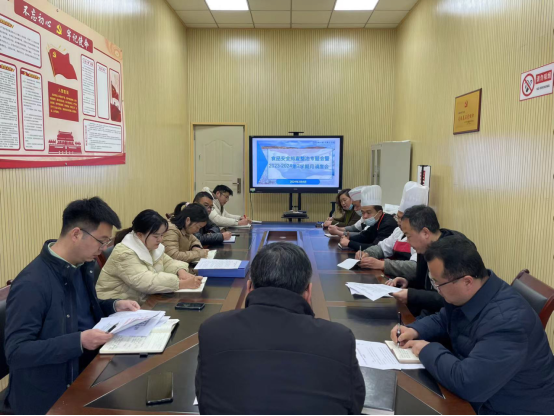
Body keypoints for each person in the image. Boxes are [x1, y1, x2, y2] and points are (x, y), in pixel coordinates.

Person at [5, 197, 140, 415]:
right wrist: (78, 341)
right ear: (76, 234)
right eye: (101, 241)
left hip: (89, 368)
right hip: (52, 392)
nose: (103, 249)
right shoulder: (31, 283)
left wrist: (114, 305)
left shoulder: (80, 265)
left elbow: (80, 310)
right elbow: (16, 352)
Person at [196, 242, 366, 415]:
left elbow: (204, 399)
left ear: (248, 288)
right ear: (308, 292)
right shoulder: (338, 339)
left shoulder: (212, 330)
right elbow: (354, 405)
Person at [392, 236, 554, 415]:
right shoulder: (474, 291)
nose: (437, 288)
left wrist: (426, 349)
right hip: (480, 395)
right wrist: (414, 329)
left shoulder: (508, 323)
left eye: (438, 283)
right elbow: (444, 319)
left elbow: (468, 384)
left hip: (505, 407)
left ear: (467, 281)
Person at [96, 210, 202, 304]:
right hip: (116, 306)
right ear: (139, 235)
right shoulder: (124, 253)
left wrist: (181, 271)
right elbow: (146, 282)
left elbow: (167, 261)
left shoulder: (149, 245)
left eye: (162, 235)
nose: (160, 239)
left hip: (139, 302)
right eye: (156, 236)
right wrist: (181, 284)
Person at [386, 205, 469, 318]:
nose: (408, 242)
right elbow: (424, 283)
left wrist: (412, 295)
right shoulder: (426, 246)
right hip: (427, 312)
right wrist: (407, 281)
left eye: (408, 236)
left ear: (425, 233)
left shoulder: (454, 251)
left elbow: (450, 299)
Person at [356, 182, 428, 279]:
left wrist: (382, 264)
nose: (399, 222)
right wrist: (367, 253)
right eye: (398, 217)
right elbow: (382, 248)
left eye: (402, 219)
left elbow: (414, 267)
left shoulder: (421, 237)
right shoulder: (398, 231)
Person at [340, 185, 397, 251]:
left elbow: (376, 248)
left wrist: (349, 243)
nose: (365, 216)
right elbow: (365, 236)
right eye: (363, 212)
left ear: (379, 212)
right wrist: (349, 238)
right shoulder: (376, 220)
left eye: (368, 212)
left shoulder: (388, 224)